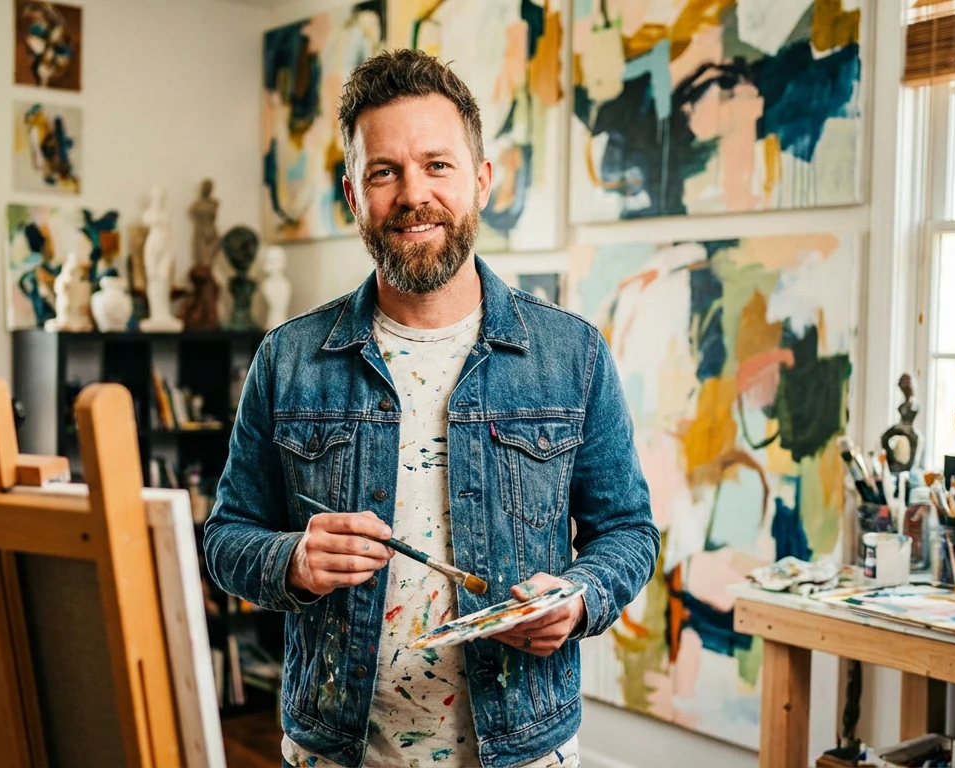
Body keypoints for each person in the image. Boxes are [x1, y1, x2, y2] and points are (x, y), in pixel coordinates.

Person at [203, 49, 659, 768]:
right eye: (384, 172)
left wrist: (576, 598)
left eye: (437, 165)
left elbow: (629, 532)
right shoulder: (287, 359)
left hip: (523, 752)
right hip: (335, 752)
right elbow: (226, 538)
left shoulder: (572, 354)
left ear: (480, 181)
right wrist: (290, 557)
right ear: (354, 195)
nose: (413, 194)